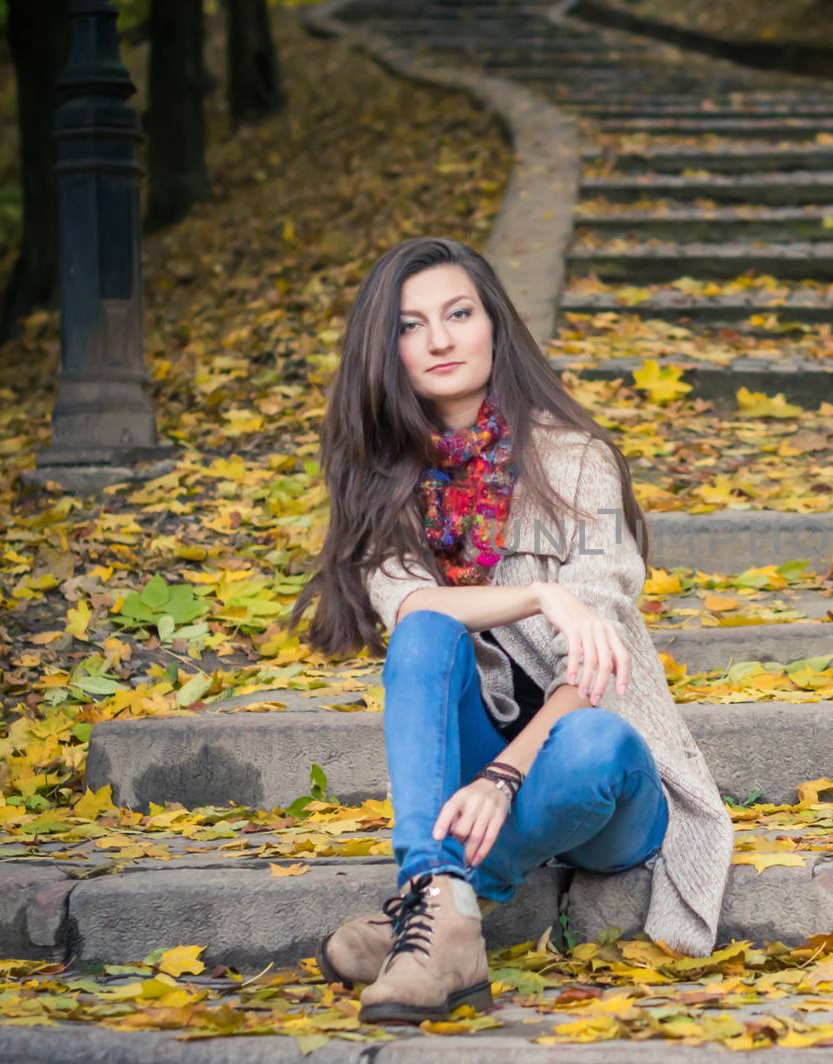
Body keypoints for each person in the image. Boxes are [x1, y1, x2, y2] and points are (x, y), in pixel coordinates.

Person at [287, 236, 734, 1024]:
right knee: (427, 631)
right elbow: (409, 608)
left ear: (493, 322)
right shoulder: (380, 481)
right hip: (472, 762)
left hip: (595, 776)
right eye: (411, 324)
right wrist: (537, 596)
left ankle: (433, 910)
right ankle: (440, 901)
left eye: (459, 313)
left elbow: (602, 664)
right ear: (385, 350)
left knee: (599, 745)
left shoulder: (576, 460)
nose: (441, 339)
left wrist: (507, 774)